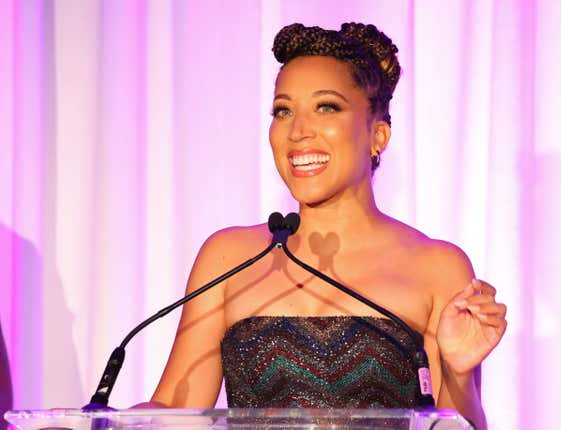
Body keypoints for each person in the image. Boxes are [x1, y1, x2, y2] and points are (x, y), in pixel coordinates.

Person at [147, 23, 506, 429]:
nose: (298, 132)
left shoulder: (437, 266)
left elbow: (456, 424)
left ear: (378, 134)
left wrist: (458, 374)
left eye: (327, 107)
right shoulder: (227, 257)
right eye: (283, 111)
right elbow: (173, 415)